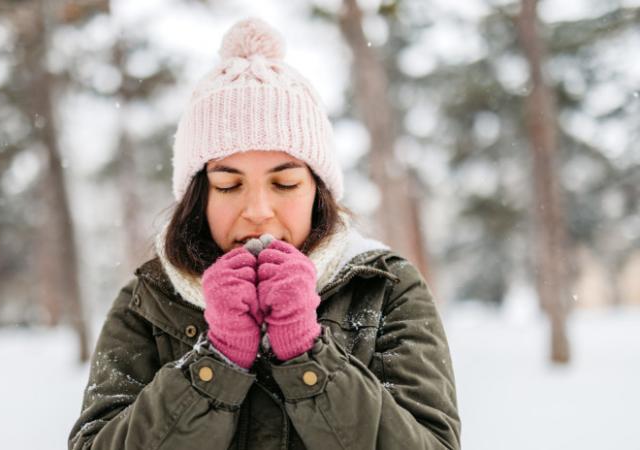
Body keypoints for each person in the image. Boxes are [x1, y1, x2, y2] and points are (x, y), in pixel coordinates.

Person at [69, 17, 460, 450]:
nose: (257, 211)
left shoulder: (385, 288)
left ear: (318, 191)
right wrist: (215, 365)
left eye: (285, 183)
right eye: (228, 185)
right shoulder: (148, 301)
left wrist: (308, 356)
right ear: (199, 197)